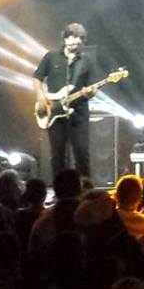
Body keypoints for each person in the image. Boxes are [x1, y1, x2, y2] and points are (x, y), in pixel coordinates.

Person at [32, 23, 96, 178]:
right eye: (72, 38)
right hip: (54, 111)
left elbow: (92, 88)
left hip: (78, 114)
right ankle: (60, 188)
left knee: (82, 152)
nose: (75, 42)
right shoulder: (51, 57)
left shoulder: (86, 61)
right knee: (57, 154)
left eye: (79, 39)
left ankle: (84, 186)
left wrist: (89, 93)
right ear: (65, 38)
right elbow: (37, 77)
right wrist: (41, 97)